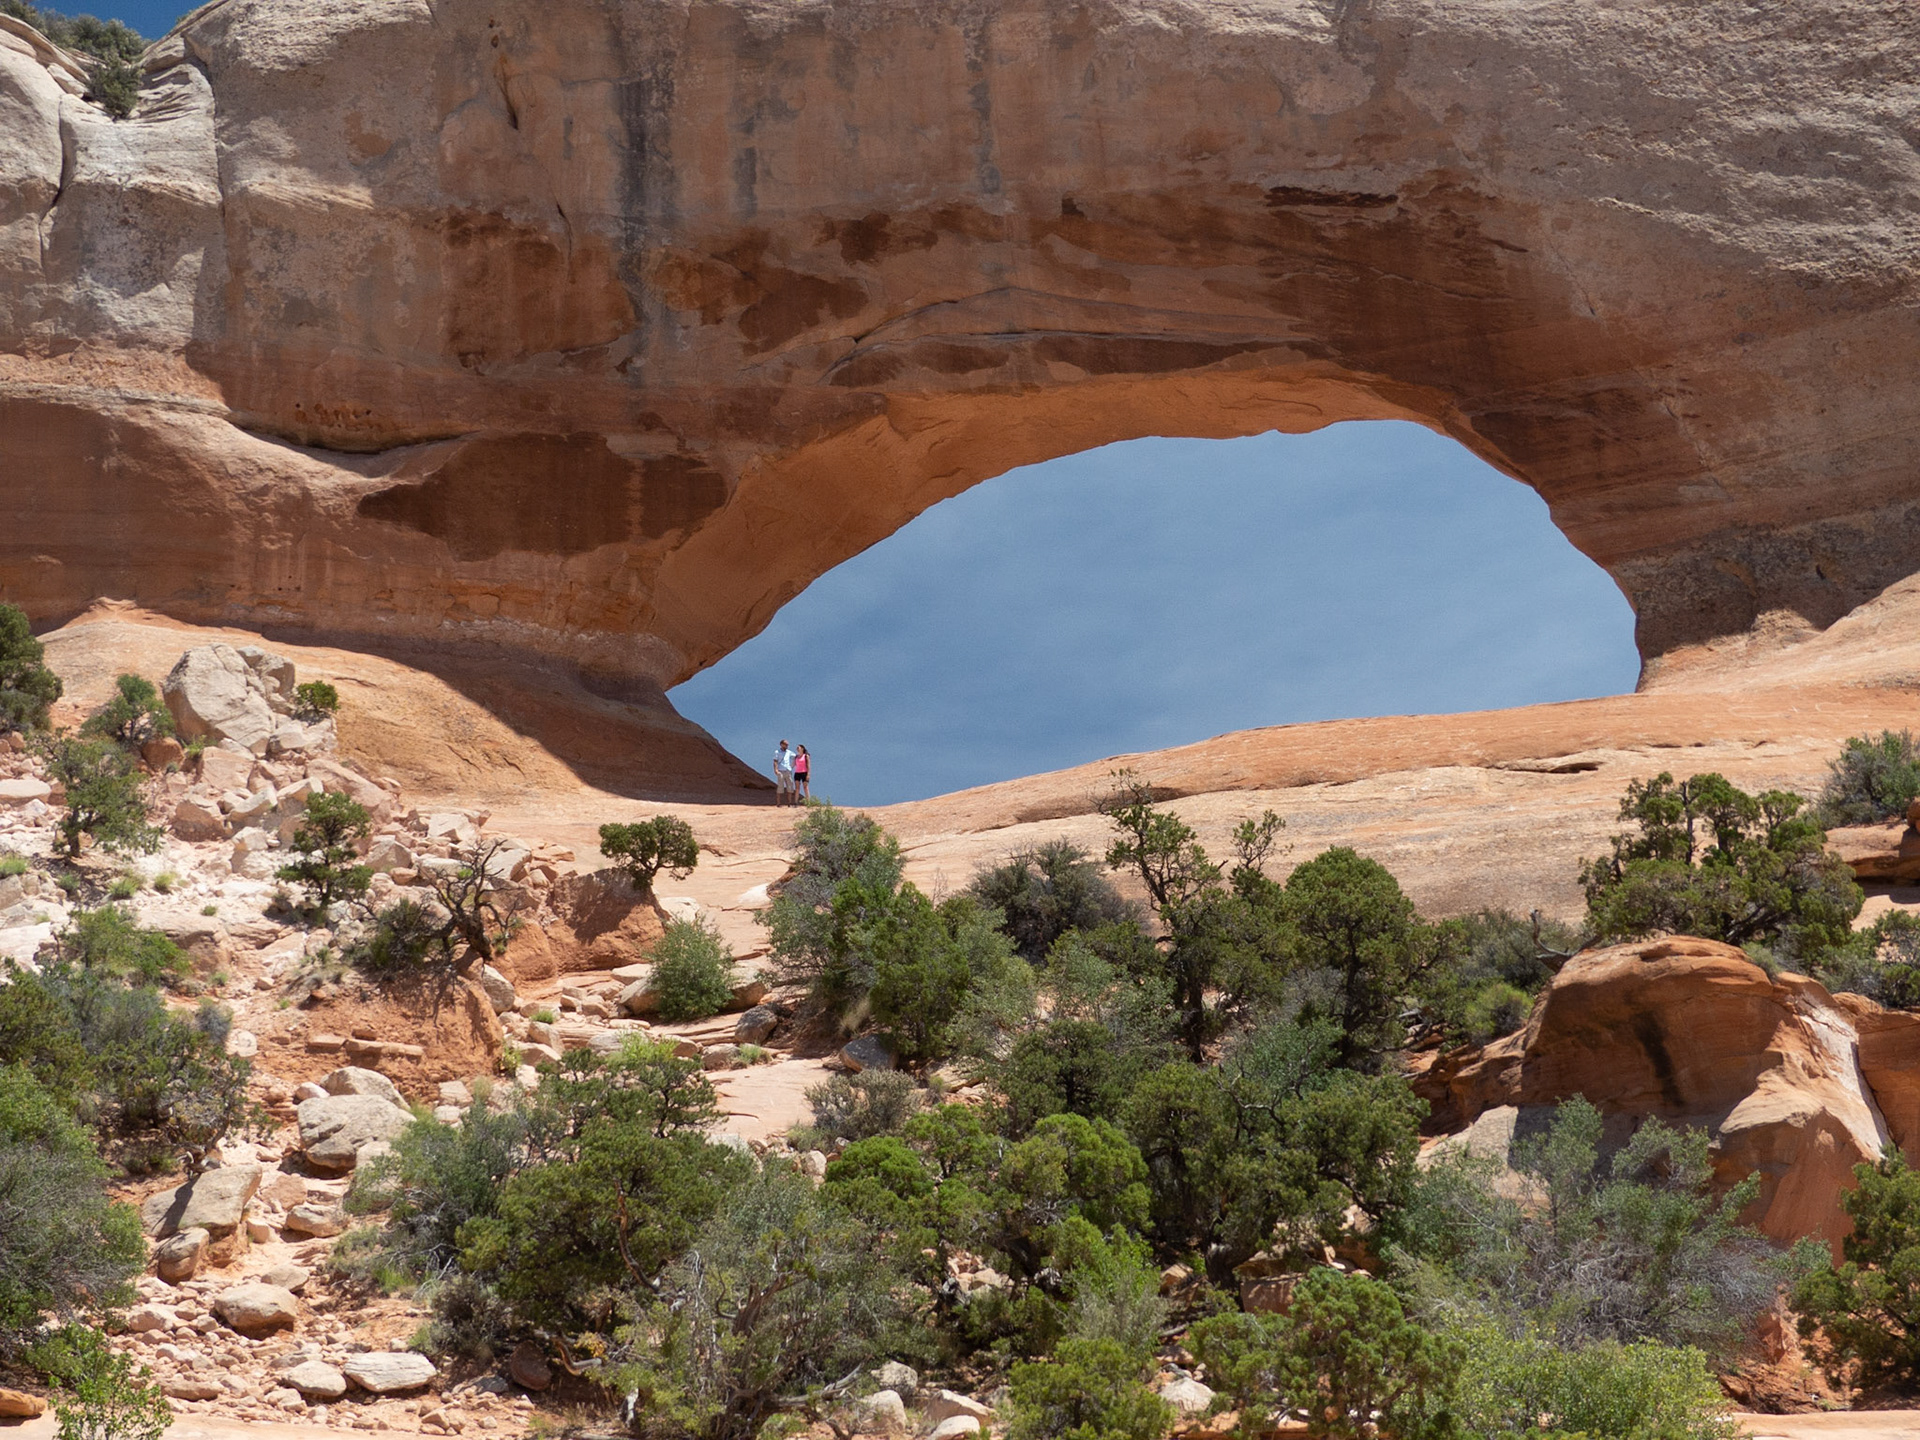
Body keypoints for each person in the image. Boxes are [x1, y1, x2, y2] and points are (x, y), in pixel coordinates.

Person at [773, 740, 795, 804]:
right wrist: (776, 770)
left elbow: (796, 757)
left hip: (788, 771)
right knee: (780, 787)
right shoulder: (777, 752)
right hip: (781, 771)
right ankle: (778, 803)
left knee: (790, 787)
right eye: (785, 744)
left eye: (787, 744)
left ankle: (789, 803)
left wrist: (791, 766)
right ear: (781, 744)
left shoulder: (789, 752)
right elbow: (775, 761)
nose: (787, 746)